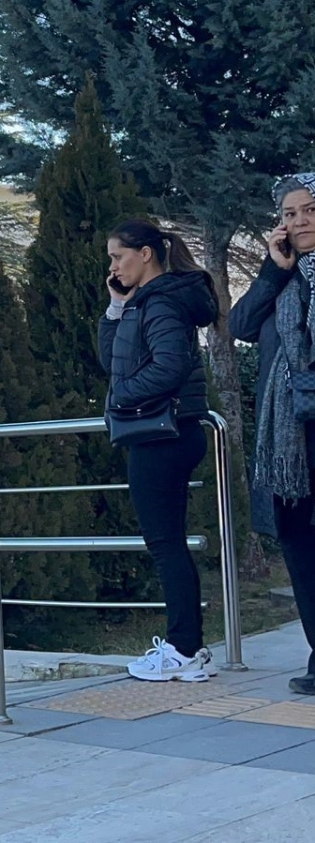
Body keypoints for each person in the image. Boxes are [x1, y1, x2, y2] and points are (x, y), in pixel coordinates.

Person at [100, 218, 219, 682]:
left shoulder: (162, 301)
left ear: (145, 253)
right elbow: (110, 360)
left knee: (165, 544)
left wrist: (120, 397)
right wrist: (115, 306)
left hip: (161, 435)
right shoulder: (145, 300)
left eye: (118, 256)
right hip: (167, 433)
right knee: (168, 543)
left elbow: (170, 367)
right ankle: (188, 647)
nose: (113, 266)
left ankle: (183, 650)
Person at [231, 173, 315, 695]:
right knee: (299, 543)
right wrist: (272, 270)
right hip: (290, 442)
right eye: (289, 213)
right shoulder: (282, 278)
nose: (299, 221)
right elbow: (240, 324)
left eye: (309, 210)